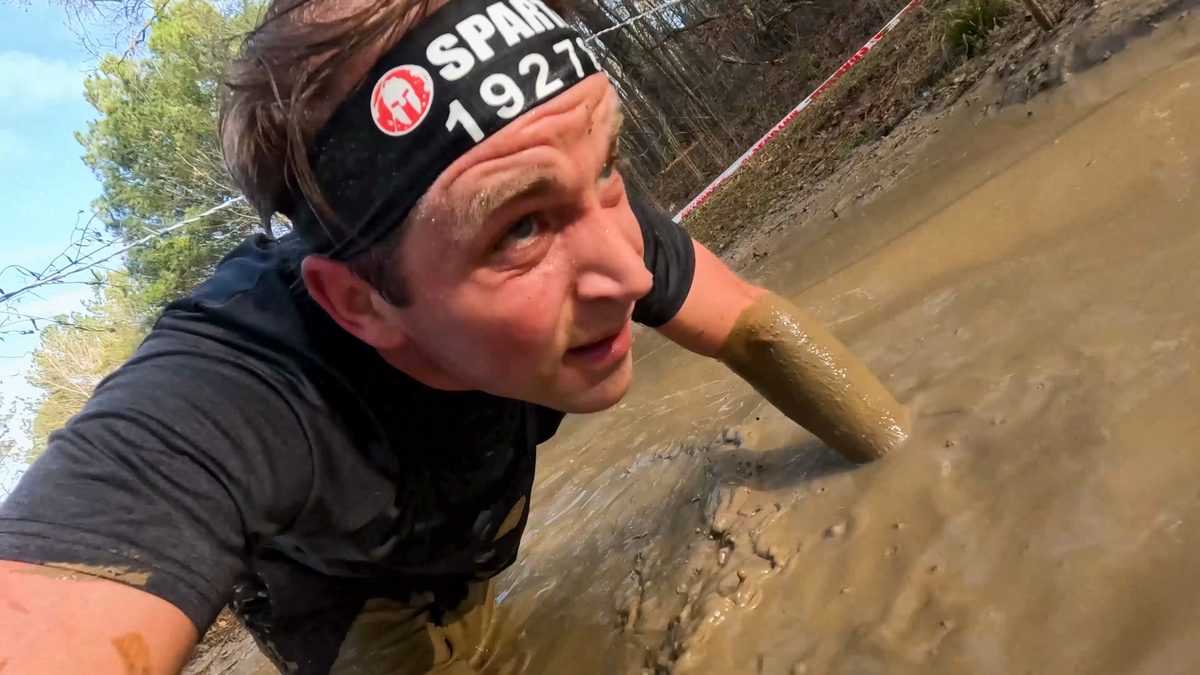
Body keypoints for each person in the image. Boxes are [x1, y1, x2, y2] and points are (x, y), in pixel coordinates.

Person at [0, 0, 909, 672]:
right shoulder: (239, 382)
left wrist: (913, 459)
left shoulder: (595, 219)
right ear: (359, 303)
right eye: (519, 229)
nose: (628, 274)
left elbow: (755, 326)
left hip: (474, 514)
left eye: (607, 168)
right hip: (348, 594)